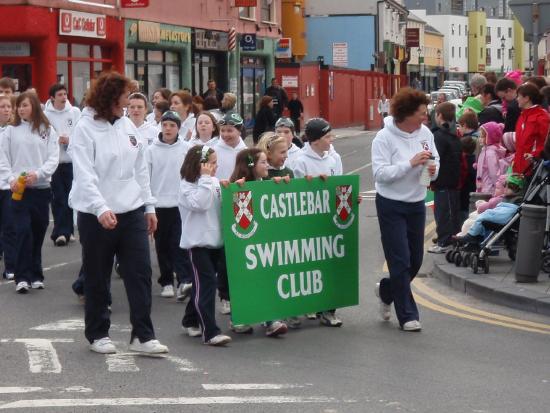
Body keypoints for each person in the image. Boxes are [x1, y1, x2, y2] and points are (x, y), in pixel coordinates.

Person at [69, 72, 168, 355]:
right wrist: (100, 208)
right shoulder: (85, 128)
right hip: (96, 214)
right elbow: (84, 174)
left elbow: (140, 169)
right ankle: (98, 333)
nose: (129, 103)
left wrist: (148, 206)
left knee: (140, 272)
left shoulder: (127, 126)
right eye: (125, 97)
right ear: (111, 97)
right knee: (97, 274)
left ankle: (143, 335)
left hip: (132, 210)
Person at [371, 88, 439, 331]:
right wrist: (409, 163)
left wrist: (432, 170)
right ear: (407, 113)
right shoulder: (383, 138)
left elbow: (435, 160)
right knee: (399, 260)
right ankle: (408, 315)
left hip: (416, 203)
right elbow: (380, 175)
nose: (425, 117)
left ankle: (387, 290)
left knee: (415, 260)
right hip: (391, 203)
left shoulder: (425, 133)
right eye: (421, 113)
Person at [0, 92, 59, 293]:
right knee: (23, 231)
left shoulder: (47, 130)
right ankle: (22, 276)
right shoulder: (10, 131)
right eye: (19, 106)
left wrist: (39, 174)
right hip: (18, 190)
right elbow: (3, 159)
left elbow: (53, 158)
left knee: (38, 230)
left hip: (41, 189)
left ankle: (36, 274)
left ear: (34, 105)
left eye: (24, 105)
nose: (20, 109)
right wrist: (11, 179)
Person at [229, 147, 289, 336]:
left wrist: (281, 186)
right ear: (251, 166)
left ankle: (271, 319)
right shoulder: (237, 187)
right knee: (246, 282)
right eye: (263, 162)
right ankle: (239, 317)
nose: (267, 165)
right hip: (243, 245)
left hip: (265, 244)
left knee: (267, 279)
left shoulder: (267, 184)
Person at [292, 118, 344, 327]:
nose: (331, 140)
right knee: (308, 266)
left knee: (329, 265)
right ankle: (306, 304)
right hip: (308, 222)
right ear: (314, 140)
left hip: (329, 220)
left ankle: (328, 310)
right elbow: (295, 193)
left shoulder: (334, 158)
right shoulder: (300, 161)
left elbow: (341, 185)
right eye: (327, 137)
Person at [178, 145, 232, 346]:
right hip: (198, 244)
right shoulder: (186, 186)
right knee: (207, 284)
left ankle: (189, 320)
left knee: (203, 285)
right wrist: (206, 179)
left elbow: (220, 203)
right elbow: (200, 204)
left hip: (216, 243)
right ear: (201, 165)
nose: (216, 167)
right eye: (213, 163)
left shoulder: (213, 182)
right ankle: (210, 332)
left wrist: (231, 188)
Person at [145, 111, 192, 299]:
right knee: (162, 245)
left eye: (172, 125)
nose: (168, 129)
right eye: (165, 125)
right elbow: (145, 178)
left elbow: (191, 176)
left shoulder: (187, 148)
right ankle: (166, 281)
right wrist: (148, 204)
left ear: (178, 128)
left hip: (180, 205)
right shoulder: (150, 150)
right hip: (158, 206)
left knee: (179, 243)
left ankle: (183, 280)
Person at [212, 112, 247, 314]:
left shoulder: (247, 152)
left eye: (230, 130)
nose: (225, 134)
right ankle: (224, 295)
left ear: (239, 130)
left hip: (242, 205)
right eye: (223, 130)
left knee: (240, 253)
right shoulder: (213, 150)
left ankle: (240, 292)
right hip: (221, 204)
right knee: (224, 254)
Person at [44, 83, 81, 247]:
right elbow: (42, 137)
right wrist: (55, 140)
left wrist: (69, 140)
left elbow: (81, 135)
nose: (64, 97)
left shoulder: (74, 112)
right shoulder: (45, 115)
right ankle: (60, 232)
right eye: (60, 95)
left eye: (65, 94)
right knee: (58, 197)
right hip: (54, 163)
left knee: (70, 196)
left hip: (71, 161)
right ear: (52, 97)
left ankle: (69, 231)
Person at [428, 102, 462, 254]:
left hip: (443, 181)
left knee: (443, 213)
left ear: (439, 116)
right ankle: (449, 239)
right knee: (449, 212)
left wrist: (426, 180)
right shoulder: (452, 134)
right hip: (451, 181)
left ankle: (445, 242)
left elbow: (433, 160)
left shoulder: (438, 136)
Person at [513, 83, 550, 174]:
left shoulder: (542, 117)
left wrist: (535, 155)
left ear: (527, 98)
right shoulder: (523, 116)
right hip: (520, 167)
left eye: (518, 96)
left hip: (535, 169)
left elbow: (546, 143)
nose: (516, 99)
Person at [0, 95, 16, 280]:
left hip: (8, 186)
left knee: (10, 227)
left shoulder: (14, 131)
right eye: (2, 106)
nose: (5, 109)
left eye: (7, 106)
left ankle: (11, 265)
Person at [476, 122, 505, 194]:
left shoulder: (490, 153)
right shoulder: (486, 150)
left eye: (482, 136)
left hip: (489, 189)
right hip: (484, 186)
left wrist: (497, 186)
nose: (480, 139)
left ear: (490, 137)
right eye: (479, 136)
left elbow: (494, 173)